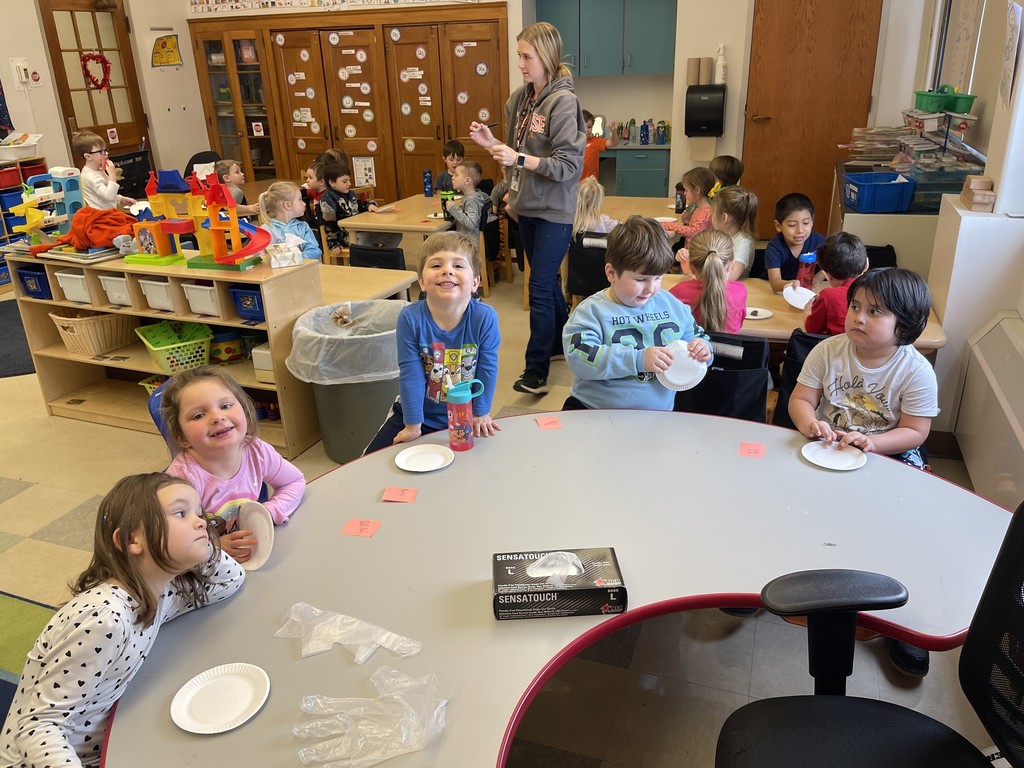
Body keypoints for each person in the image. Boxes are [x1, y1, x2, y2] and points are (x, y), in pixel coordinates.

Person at [0, 472, 245, 768]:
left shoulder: (160, 591)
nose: (202, 522)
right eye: (181, 513)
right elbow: (38, 726)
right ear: (131, 540)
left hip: (105, 742)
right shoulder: (103, 617)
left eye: (199, 513)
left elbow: (230, 581)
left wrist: (201, 547)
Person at [788, 268, 938, 677]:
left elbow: (916, 431)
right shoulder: (828, 351)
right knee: (784, 499)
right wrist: (809, 424)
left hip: (887, 453)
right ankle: (766, 578)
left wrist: (873, 443)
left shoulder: (915, 370)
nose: (858, 316)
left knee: (904, 530)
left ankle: (906, 621)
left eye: (874, 311)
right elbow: (801, 399)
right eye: (855, 306)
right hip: (827, 446)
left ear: (903, 325)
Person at [468, 21, 586, 396]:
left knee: (538, 285)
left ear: (546, 57)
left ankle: (536, 372)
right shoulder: (520, 99)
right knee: (546, 279)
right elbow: (515, 152)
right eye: (519, 55)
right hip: (525, 206)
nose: (520, 63)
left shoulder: (564, 102)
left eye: (526, 56)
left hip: (554, 210)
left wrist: (518, 158)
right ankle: (558, 344)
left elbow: (568, 166)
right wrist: (492, 144)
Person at [364, 232, 501, 453]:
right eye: (436, 265)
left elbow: (487, 367)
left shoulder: (484, 318)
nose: (447, 270)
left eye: (458, 265)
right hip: (416, 413)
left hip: (464, 416)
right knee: (369, 461)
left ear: (475, 282)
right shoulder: (410, 318)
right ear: (421, 282)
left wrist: (480, 413)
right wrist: (413, 425)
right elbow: (411, 372)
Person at [562, 216, 712, 411]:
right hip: (595, 411)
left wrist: (703, 350)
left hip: (655, 416)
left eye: (658, 278)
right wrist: (637, 359)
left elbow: (696, 336)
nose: (651, 288)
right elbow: (579, 359)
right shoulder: (591, 312)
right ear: (611, 273)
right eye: (641, 279)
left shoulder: (672, 305)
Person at [162, 366, 306, 565]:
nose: (217, 417)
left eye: (226, 405)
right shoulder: (182, 479)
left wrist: (269, 513)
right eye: (198, 415)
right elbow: (170, 540)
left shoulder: (256, 450)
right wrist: (213, 546)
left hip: (254, 555)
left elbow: (295, 481)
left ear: (245, 411)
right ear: (181, 437)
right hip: (210, 567)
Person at [670, 229, 746, 334]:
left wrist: (689, 274)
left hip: (690, 349)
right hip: (728, 349)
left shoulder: (677, 293)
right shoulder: (739, 291)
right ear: (731, 265)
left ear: (691, 267)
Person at [804, 231, 869, 336]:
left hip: (840, 350)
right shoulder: (878, 291)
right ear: (866, 265)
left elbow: (812, 329)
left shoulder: (828, 296)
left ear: (827, 275)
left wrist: (807, 313)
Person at [765, 192, 826, 293]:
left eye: (805, 223)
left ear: (812, 221)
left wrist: (818, 277)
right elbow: (775, 282)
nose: (800, 230)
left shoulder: (820, 242)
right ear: (778, 226)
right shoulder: (774, 247)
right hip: (783, 292)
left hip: (808, 291)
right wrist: (789, 284)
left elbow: (835, 262)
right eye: (792, 225)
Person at [319, 161, 382, 255]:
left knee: (394, 236)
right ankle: (369, 263)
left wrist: (369, 205)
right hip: (344, 236)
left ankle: (380, 258)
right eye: (345, 181)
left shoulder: (350, 193)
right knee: (364, 239)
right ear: (332, 182)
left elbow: (360, 206)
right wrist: (334, 244)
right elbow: (329, 225)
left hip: (360, 230)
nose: (349, 183)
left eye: (349, 180)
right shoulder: (327, 200)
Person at [258, 180, 323, 261]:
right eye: (300, 200)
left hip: (302, 271)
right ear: (287, 205)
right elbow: (259, 257)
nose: (304, 204)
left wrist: (293, 258)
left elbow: (315, 251)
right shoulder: (265, 231)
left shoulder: (302, 227)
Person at [74, 130, 137, 210]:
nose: (106, 153)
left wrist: (120, 199)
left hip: (109, 212)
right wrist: (112, 175)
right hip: (101, 217)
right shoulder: (90, 176)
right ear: (88, 157)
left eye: (106, 150)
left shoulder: (98, 169)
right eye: (101, 152)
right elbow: (109, 196)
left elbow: (101, 196)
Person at [711, 185, 758, 280]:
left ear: (724, 218)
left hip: (734, 289)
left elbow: (732, 275)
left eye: (713, 213)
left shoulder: (744, 241)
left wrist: (703, 275)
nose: (710, 217)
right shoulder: (721, 234)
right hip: (717, 285)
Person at [662, 167, 715, 247]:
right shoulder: (700, 208)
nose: (684, 194)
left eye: (686, 190)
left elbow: (692, 232)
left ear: (697, 190)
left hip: (696, 254)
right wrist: (687, 220)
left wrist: (669, 225)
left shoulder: (707, 212)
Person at [446, 160, 492, 237]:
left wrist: (454, 209)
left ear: (467, 181)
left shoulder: (472, 200)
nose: (452, 177)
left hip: (468, 243)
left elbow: (470, 223)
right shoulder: (475, 196)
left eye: (456, 175)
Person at [581, 109, 612, 181]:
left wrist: (613, 135)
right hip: (575, 183)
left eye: (589, 127)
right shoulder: (571, 143)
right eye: (583, 127)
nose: (586, 130)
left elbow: (612, 143)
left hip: (590, 183)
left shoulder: (595, 141)